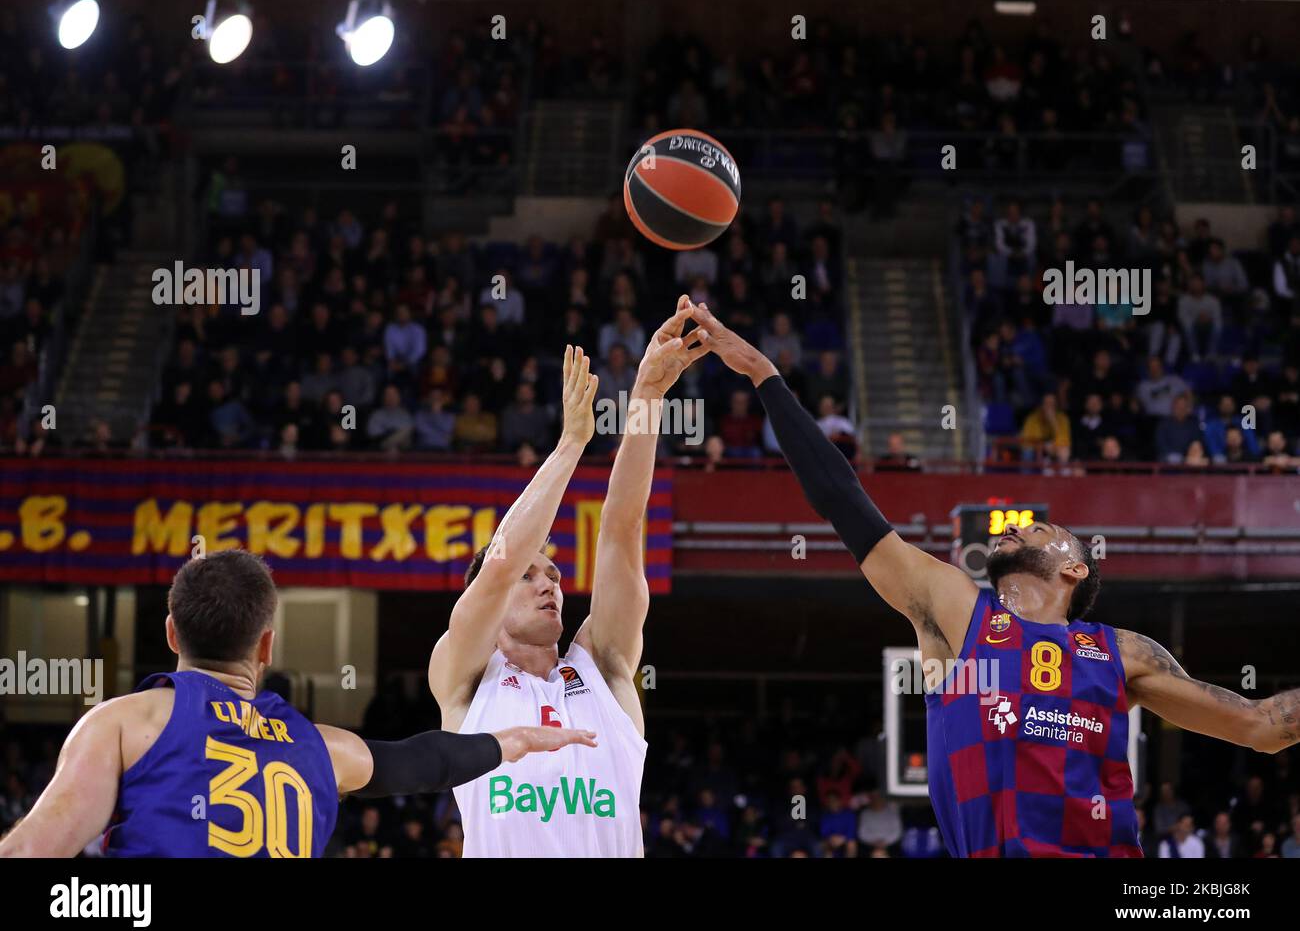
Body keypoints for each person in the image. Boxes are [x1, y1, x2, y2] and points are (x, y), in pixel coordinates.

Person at [689, 301, 1300, 858]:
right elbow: (842, 500)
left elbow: (1258, 726)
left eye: (1044, 527)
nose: (1023, 526)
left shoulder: (1124, 653)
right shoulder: (958, 609)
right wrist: (762, 373)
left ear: (1075, 567)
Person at [0, 550, 592, 858]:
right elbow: (423, 761)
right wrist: (510, 742)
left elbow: (30, 850)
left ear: (172, 635)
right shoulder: (320, 747)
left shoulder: (125, 723)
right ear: (266, 646)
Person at [428, 300, 711, 857]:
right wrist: (571, 444)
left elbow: (622, 530)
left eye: (555, 575)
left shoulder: (602, 667)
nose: (548, 583)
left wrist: (648, 399)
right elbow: (503, 560)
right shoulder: (464, 679)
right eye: (531, 576)